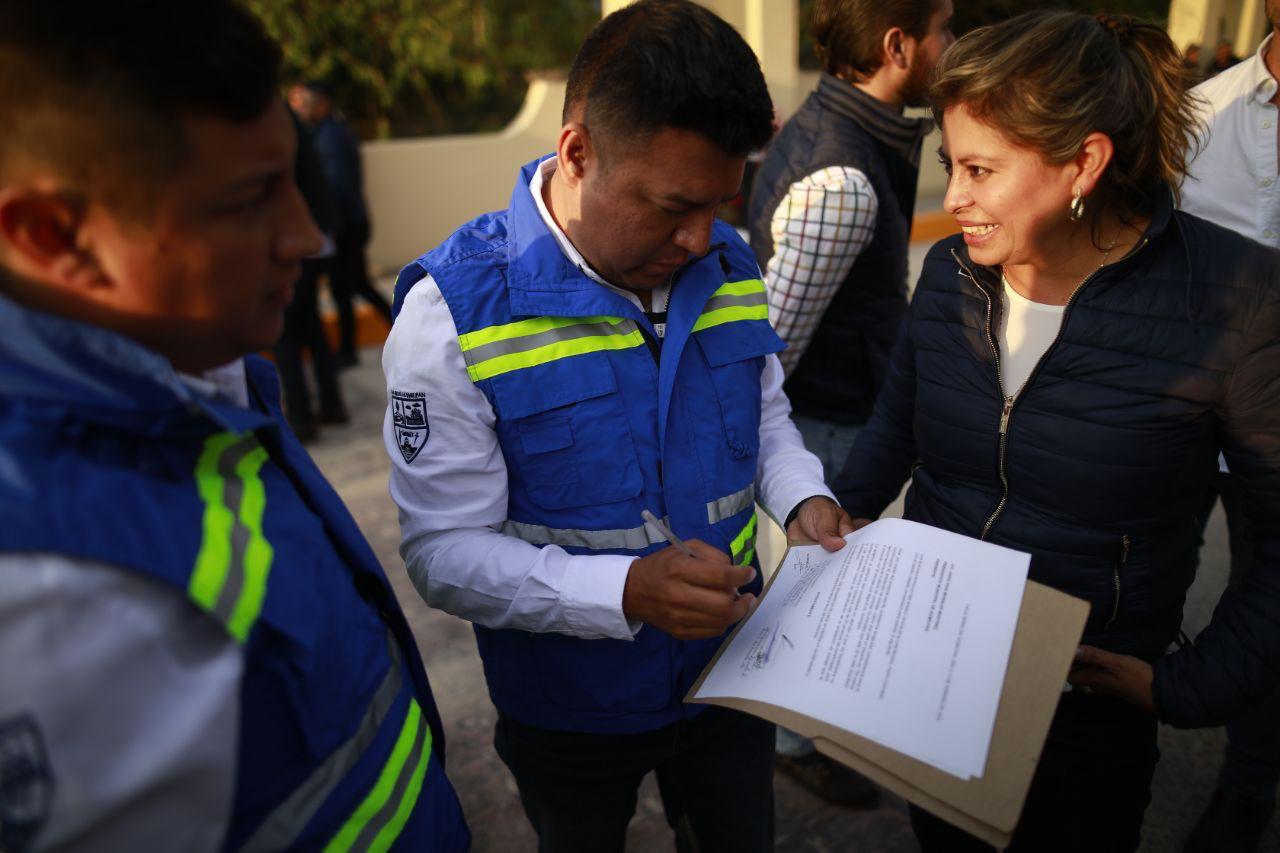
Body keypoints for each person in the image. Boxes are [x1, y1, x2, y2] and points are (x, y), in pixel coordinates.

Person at [381, 2, 854, 850]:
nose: (700, 237)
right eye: (672, 205)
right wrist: (626, 591)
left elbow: (765, 415)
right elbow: (443, 553)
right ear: (577, 153)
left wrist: (801, 497)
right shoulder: (453, 315)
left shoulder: (730, 262)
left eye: (720, 203)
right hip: (570, 706)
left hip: (731, 669)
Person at [0, 2, 469, 850]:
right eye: (250, 200)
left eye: (291, 178)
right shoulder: (36, 594)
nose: (307, 236)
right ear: (54, 235)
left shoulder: (198, 371)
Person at [832, 11, 1280, 851]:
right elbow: (896, 424)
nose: (952, 199)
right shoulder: (952, 273)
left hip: (1085, 715)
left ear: (1084, 163)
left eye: (979, 169)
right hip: (932, 680)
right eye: (950, 165)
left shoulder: (1240, 301)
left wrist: (1186, 686)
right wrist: (836, 509)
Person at [747, 0, 954, 807]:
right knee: (812, 581)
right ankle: (790, 739)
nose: (952, 44)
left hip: (834, 404)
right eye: (944, 28)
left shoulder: (849, 129)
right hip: (823, 416)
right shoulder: (845, 178)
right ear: (898, 46)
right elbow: (773, 346)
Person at [1179, 5, 1280, 850]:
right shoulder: (1201, 115)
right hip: (1179, 413)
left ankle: (1247, 784)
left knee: (1267, 593)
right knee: (1141, 587)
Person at [294, 81, 393, 366]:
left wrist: (334, 230)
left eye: (304, 103)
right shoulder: (325, 133)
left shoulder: (330, 138)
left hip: (345, 227)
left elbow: (338, 188)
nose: (299, 109)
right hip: (347, 224)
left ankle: (351, 349)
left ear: (322, 104)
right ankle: (353, 347)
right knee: (352, 286)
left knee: (348, 287)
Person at [273, 109, 349, 442]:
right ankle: (331, 406)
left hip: (299, 244)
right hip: (316, 242)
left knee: (286, 333)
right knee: (309, 326)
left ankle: (301, 417)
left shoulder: (268, 120)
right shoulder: (289, 122)